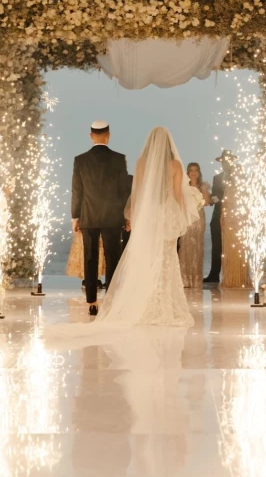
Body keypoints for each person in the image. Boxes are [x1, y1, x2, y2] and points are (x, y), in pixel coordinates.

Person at [93, 127, 198, 327]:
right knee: (166, 258)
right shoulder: (175, 165)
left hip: (148, 215)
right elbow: (177, 195)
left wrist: (133, 215)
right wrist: (181, 216)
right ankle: (164, 304)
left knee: (147, 257)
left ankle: (143, 302)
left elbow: (138, 192)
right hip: (166, 214)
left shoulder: (141, 163)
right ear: (169, 144)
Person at [71, 121, 131, 315]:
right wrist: (127, 215)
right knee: (112, 258)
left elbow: (77, 191)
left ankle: (91, 302)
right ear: (108, 135)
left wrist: (75, 216)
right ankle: (111, 300)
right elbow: (124, 191)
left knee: (90, 258)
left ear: (91, 135)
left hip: (88, 215)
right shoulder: (119, 159)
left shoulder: (80, 160)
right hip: (112, 216)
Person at [219, 151, 250, 288]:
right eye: (234, 171)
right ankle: (230, 279)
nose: (235, 173)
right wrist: (222, 218)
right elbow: (224, 205)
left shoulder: (245, 188)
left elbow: (248, 205)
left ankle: (241, 279)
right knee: (229, 250)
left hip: (241, 220)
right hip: (229, 219)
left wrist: (246, 218)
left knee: (240, 249)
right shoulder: (228, 187)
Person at [178, 162, 210, 288]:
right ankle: (184, 278)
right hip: (187, 218)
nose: (193, 173)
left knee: (197, 247)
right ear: (187, 172)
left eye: (196, 170)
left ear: (199, 172)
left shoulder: (203, 186)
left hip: (198, 219)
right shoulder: (183, 186)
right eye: (191, 170)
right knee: (185, 246)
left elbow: (206, 202)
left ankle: (196, 279)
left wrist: (199, 199)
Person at [204, 157, 225, 284]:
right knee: (216, 247)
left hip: (232, 217)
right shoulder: (217, 178)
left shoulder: (238, 176)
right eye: (223, 161)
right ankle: (214, 274)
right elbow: (216, 195)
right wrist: (211, 199)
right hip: (217, 216)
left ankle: (232, 275)